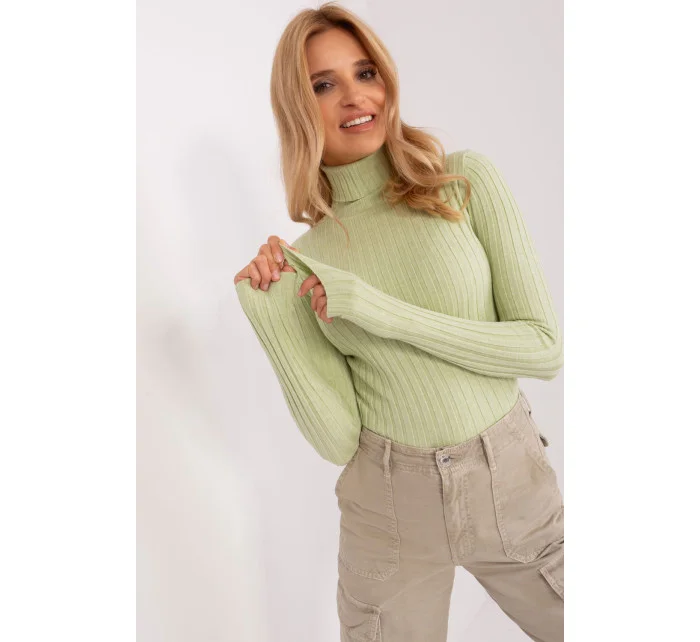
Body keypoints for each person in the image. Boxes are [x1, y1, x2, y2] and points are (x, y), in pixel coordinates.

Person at [233, 3, 564, 641]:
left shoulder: (462, 183)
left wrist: (381, 312)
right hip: (386, 509)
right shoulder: (309, 264)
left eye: (366, 73)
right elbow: (337, 441)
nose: (355, 96)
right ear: (297, 108)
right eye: (323, 84)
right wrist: (270, 316)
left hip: (509, 483)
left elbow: (542, 347)